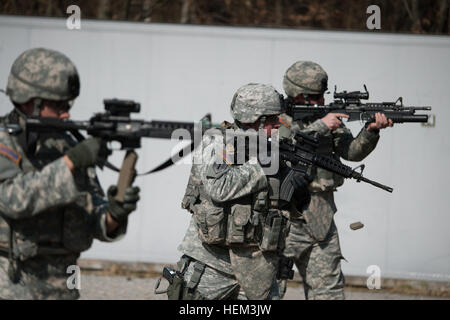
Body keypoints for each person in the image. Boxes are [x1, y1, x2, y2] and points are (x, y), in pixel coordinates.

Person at [0, 48, 140, 299]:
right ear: (30, 100)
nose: (66, 113)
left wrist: (114, 214)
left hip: (62, 288)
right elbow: (12, 199)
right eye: (58, 105)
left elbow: (93, 219)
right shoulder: (4, 142)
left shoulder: (69, 147)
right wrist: (71, 162)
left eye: (68, 104)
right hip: (11, 283)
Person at [169, 83, 312, 300]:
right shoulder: (217, 144)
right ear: (254, 118)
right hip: (212, 264)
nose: (278, 125)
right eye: (272, 119)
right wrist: (262, 167)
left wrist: (298, 189)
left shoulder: (273, 148)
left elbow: (285, 207)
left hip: (260, 266)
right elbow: (220, 188)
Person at [281, 61, 393, 300]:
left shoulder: (328, 117)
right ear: (297, 94)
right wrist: (320, 127)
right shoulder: (276, 119)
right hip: (283, 219)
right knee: (269, 290)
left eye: (323, 95)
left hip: (321, 218)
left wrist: (371, 130)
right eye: (315, 96)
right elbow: (281, 149)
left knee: (328, 293)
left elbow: (352, 152)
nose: (321, 101)